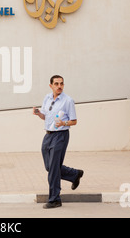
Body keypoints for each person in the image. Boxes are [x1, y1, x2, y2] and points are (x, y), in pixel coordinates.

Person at [33, 75, 84, 209]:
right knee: (49, 167)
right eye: (56, 84)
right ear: (51, 86)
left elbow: (74, 121)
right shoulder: (47, 98)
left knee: (54, 169)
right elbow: (46, 116)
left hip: (61, 135)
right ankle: (74, 174)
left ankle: (55, 199)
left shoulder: (68, 101)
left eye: (61, 84)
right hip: (48, 135)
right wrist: (38, 113)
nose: (59, 86)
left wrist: (64, 123)